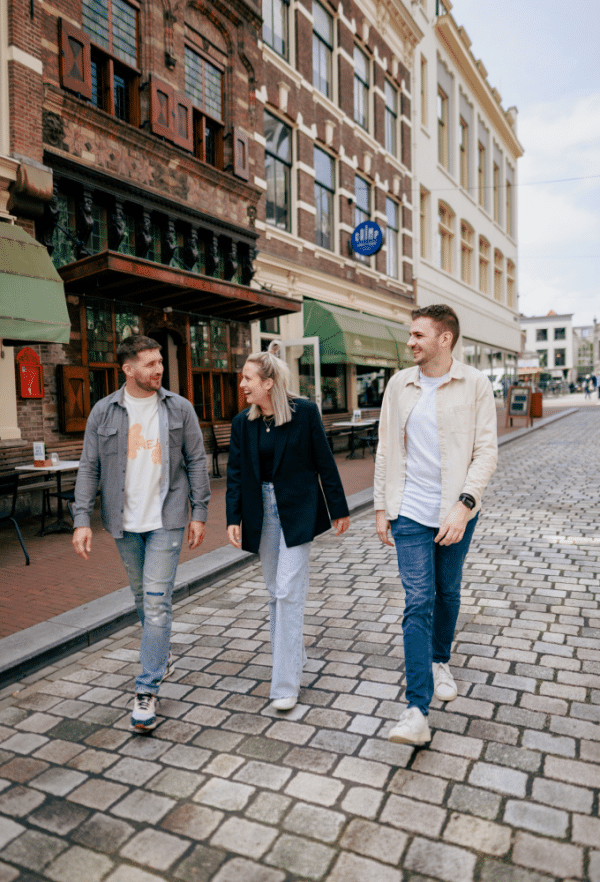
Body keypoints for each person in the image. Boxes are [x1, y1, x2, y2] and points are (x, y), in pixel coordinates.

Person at [72, 335, 210, 732]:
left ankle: (146, 689)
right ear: (127, 369)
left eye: (160, 362)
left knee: (155, 600)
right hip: (123, 522)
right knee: (143, 598)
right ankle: (160, 649)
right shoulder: (103, 412)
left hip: (167, 519)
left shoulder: (179, 408)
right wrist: (82, 519)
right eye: (149, 364)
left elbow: (196, 460)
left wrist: (199, 512)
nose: (159, 369)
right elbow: (89, 467)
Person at [375, 305, 497, 745]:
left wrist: (464, 506)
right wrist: (380, 507)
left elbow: (486, 452)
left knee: (447, 590)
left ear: (444, 339)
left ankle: (440, 658)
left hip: (455, 511)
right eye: (411, 334)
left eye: (418, 335)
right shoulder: (399, 385)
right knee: (418, 600)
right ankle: (416, 709)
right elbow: (386, 448)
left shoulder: (475, 384)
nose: (411, 342)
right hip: (409, 510)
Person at [226, 342, 350, 710]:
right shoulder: (242, 423)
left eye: (248, 378)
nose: (242, 385)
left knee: (287, 593)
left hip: (297, 511)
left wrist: (338, 507)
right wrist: (233, 518)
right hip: (260, 512)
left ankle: (284, 685)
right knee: (273, 591)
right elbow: (235, 475)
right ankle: (295, 656)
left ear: (269, 382)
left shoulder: (305, 413)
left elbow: (324, 463)